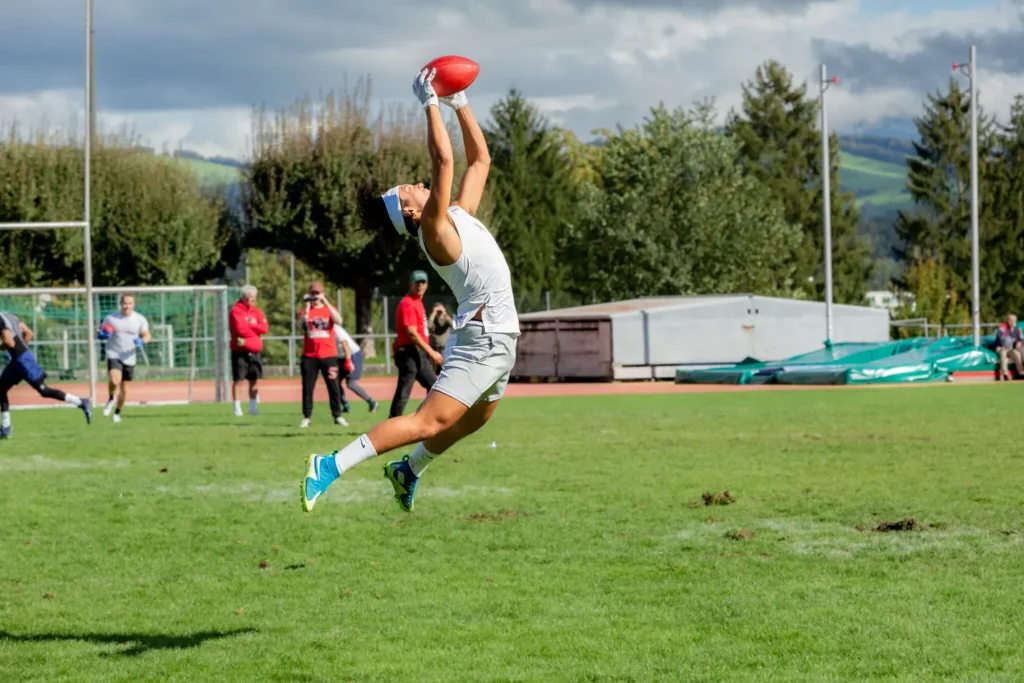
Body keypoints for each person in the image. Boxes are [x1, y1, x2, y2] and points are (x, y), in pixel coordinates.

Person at [302, 67, 519, 514]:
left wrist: (460, 103)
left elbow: (481, 161)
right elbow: (446, 162)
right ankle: (329, 464)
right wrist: (429, 103)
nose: (417, 183)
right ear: (408, 210)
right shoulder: (436, 230)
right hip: (484, 338)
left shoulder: (456, 215)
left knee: (475, 418)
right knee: (428, 421)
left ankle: (408, 470)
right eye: (409, 189)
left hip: (499, 336)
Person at [1, 311, 91, 438]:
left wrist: (10, 350)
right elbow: (29, 333)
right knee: (1, 388)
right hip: (20, 359)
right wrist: (19, 351)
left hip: (23, 361)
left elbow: (9, 342)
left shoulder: (0, 319)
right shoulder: (10, 315)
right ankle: (5, 427)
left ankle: (81, 402)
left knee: (44, 391)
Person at [389, 270, 442, 417]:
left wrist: (427, 353)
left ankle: (427, 418)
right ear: (410, 284)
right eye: (417, 282)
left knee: (434, 387)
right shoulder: (408, 304)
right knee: (404, 391)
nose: (420, 285)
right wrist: (432, 352)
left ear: (427, 285)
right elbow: (412, 333)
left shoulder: (417, 302)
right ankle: (392, 425)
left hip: (417, 353)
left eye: (423, 282)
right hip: (408, 352)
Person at [298, 281, 348, 428]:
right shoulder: (305, 311)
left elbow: (339, 320)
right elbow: (300, 326)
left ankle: (337, 415)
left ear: (323, 294)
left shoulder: (329, 309)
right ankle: (307, 417)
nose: (315, 297)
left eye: (318, 293)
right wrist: (307, 308)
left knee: (333, 387)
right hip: (310, 356)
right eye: (313, 294)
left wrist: (325, 302)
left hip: (329, 355)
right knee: (308, 387)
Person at [96, 294, 151, 423]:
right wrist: (101, 334)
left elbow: (148, 335)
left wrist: (142, 341)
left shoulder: (140, 319)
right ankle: (111, 398)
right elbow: (99, 330)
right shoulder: (111, 318)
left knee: (125, 389)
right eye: (124, 303)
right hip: (114, 353)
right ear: (120, 304)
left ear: (134, 304)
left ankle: (116, 413)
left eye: (130, 303)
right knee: (115, 381)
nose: (127, 306)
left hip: (130, 356)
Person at [229, 285, 269, 416]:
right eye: (251, 297)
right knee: (239, 380)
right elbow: (241, 330)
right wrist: (255, 328)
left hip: (255, 352)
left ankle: (253, 408)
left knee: (254, 380)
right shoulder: (236, 311)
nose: (253, 300)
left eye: (255, 297)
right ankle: (237, 409)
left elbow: (264, 328)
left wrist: (251, 326)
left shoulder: (257, 311)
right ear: (244, 297)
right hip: (240, 351)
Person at [334, 323, 379, 413]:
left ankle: (372, 403)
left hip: (353, 355)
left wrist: (348, 361)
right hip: (341, 357)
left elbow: (345, 344)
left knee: (350, 383)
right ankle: (346, 406)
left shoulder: (335, 328)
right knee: (334, 381)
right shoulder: (321, 330)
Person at [994, 313, 1024, 380]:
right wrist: (1001, 346)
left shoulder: (1017, 330)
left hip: (1010, 349)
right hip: (1000, 347)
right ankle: (1005, 374)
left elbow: (1021, 339)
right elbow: (998, 337)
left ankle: (1021, 373)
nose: (1012, 322)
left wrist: (1019, 342)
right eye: (1010, 320)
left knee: (1017, 354)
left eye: (1013, 320)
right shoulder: (1003, 327)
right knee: (1003, 353)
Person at [428, 302, 453, 372]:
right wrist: (433, 314)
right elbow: (429, 326)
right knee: (433, 369)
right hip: (434, 347)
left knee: (445, 368)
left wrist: (444, 313)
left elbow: (453, 325)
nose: (439, 312)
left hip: (444, 348)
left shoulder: (446, 319)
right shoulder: (432, 319)